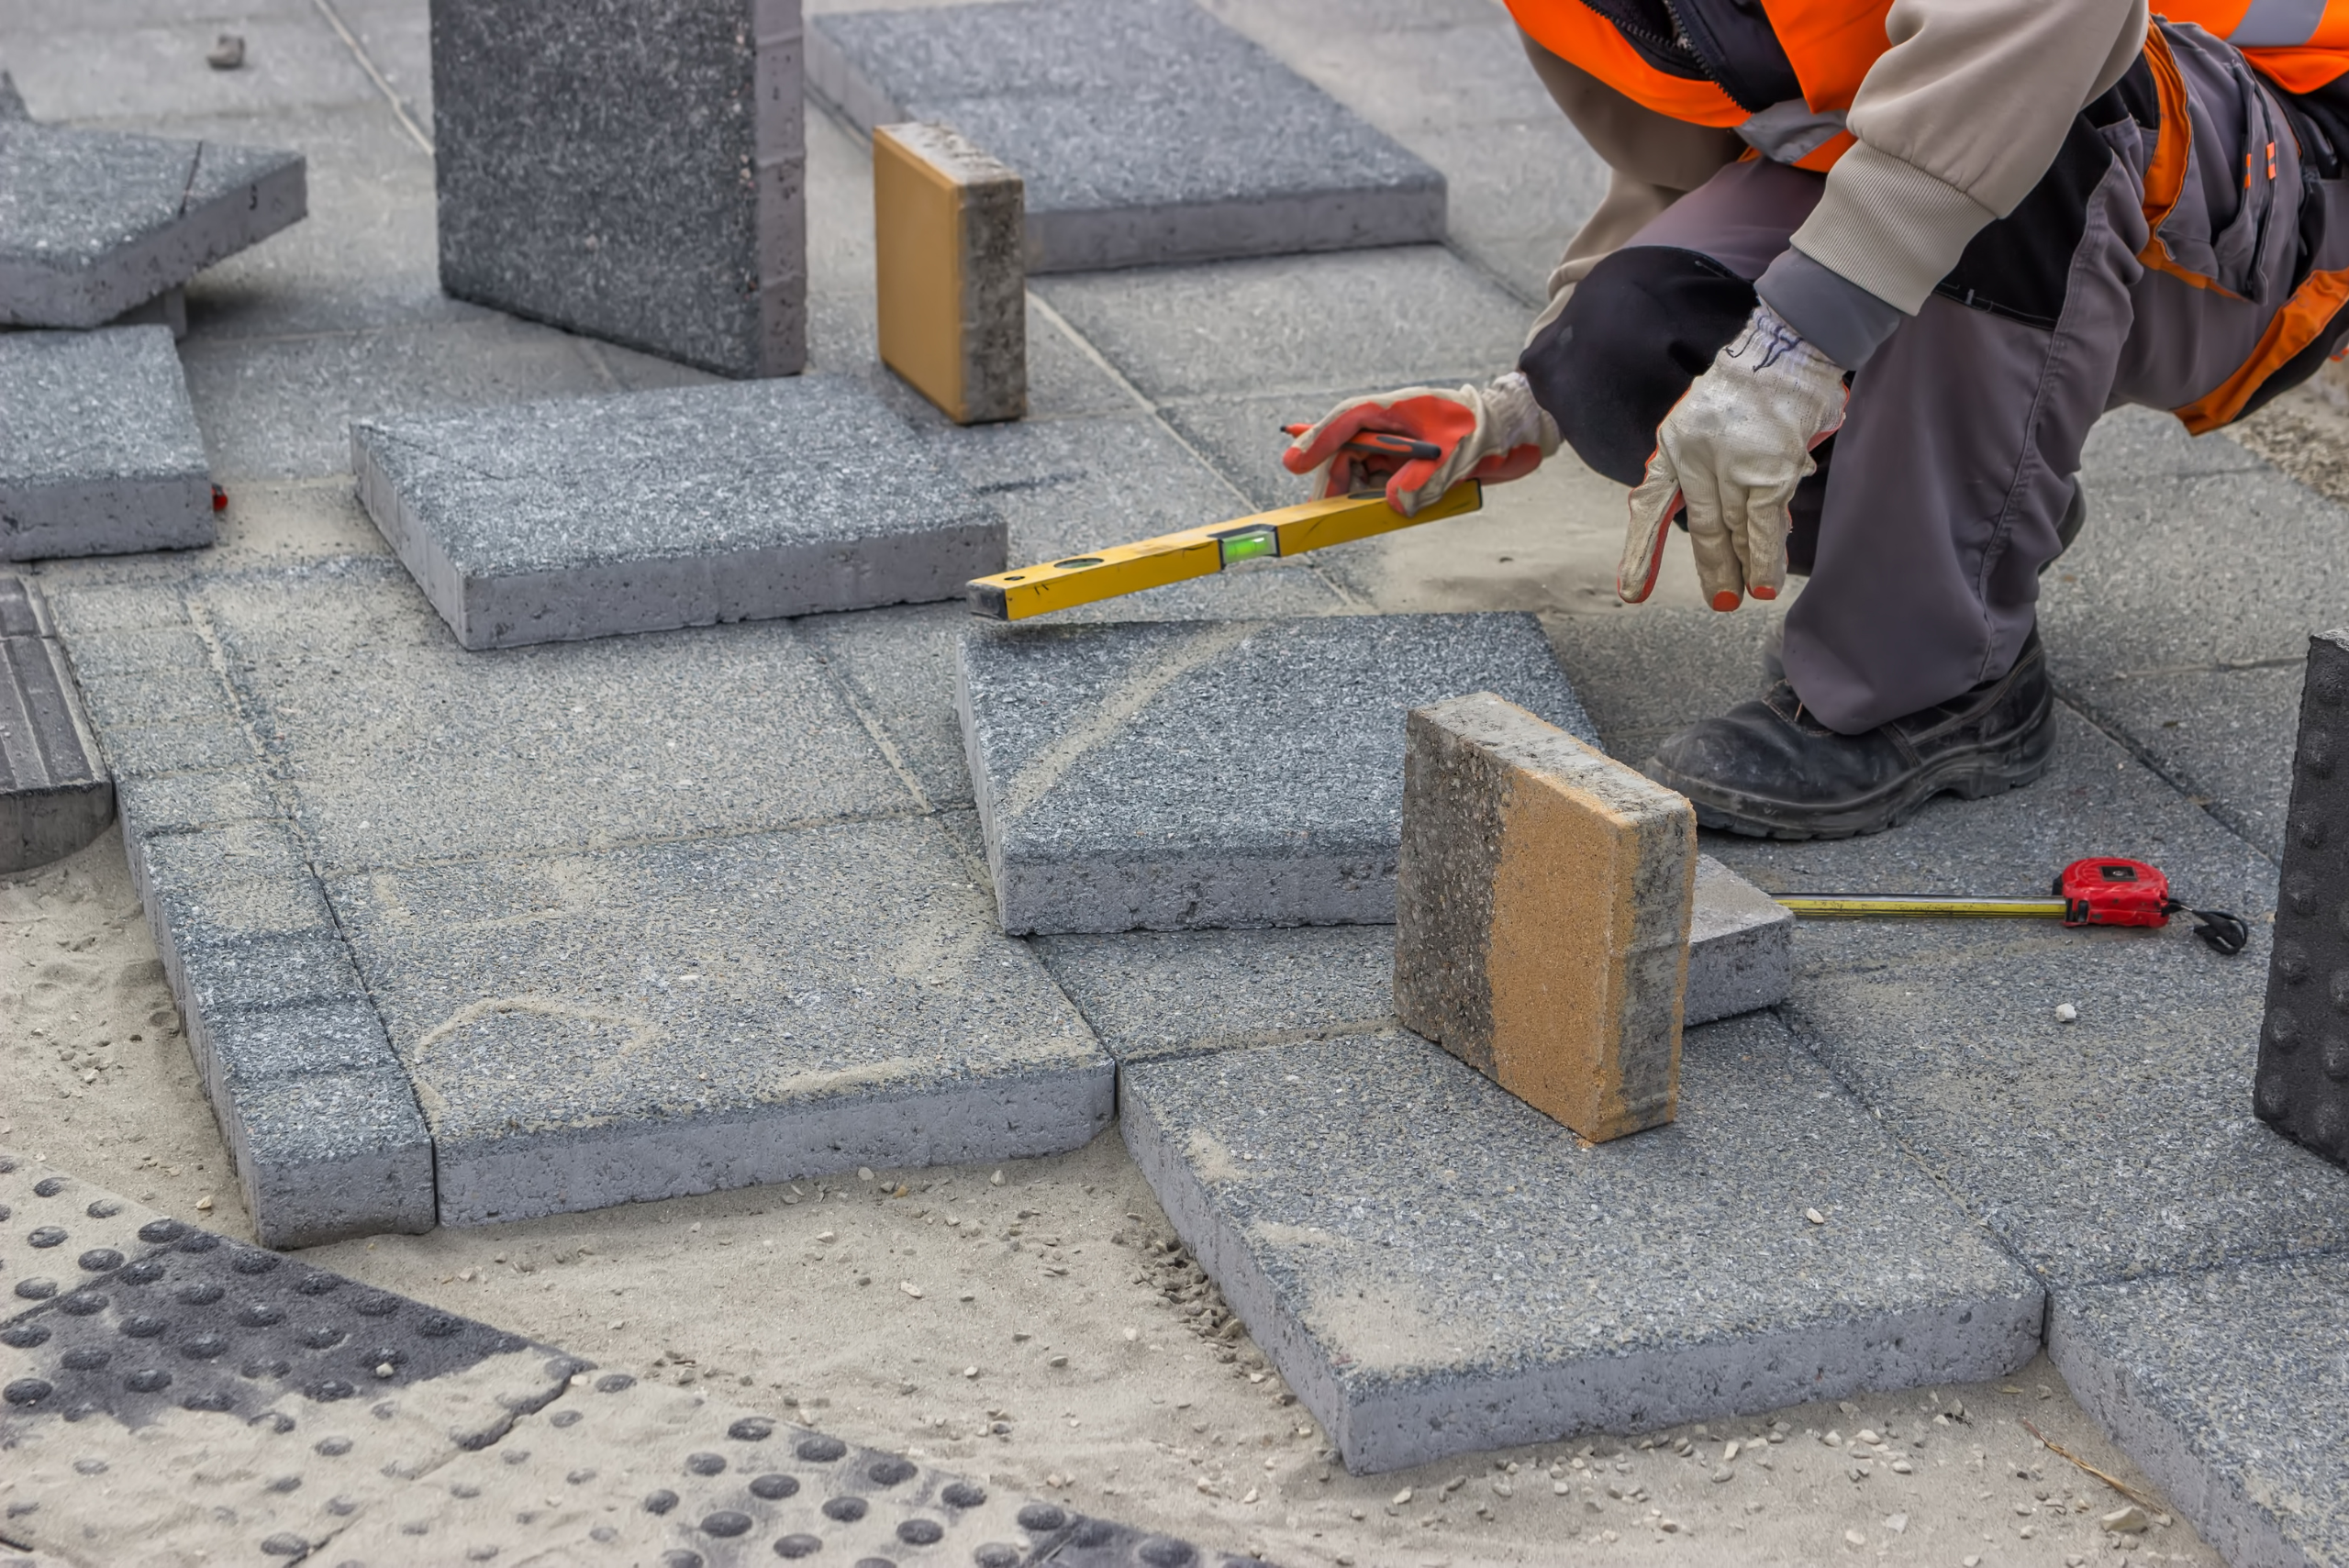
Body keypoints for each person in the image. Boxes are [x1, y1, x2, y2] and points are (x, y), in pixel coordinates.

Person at [1283, 0, 2349, 839]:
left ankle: (1937, 679)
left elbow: (2040, 35)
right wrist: (1532, 395)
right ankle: (1975, 513)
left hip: (2267, 169)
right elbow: (1695, 158)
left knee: (2029, 121)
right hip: (2037, 129)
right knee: (1623, 349)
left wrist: (1792, 351)